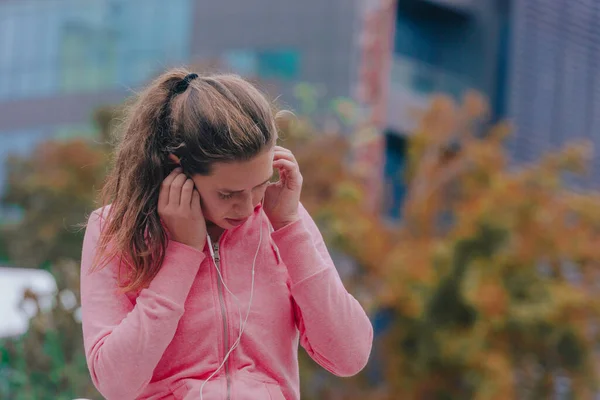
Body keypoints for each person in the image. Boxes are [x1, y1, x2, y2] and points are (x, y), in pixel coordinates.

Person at [80, 68, 373, 400]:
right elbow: (115, 384)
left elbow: (349, 356)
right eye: (228, 194)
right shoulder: (116, 228)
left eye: (259, 186)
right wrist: (181, 255)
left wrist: (291, 230)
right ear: (179, 168)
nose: (248, 208)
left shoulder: (283, 220)